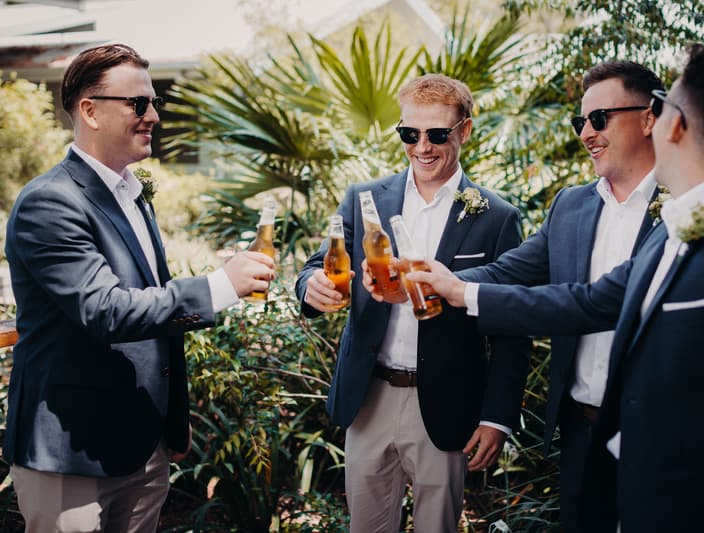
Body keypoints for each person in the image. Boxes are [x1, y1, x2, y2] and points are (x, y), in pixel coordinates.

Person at [409, 43, 704, 533]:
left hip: (694, 482)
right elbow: (576, 292)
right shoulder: (683, 222)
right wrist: (446, 286)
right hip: (605, 452)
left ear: (668, 124)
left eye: (662, 108)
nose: (587, 134)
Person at [4, 44, 274, 532]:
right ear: (89, 111)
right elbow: (106, 311)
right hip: (72, 452)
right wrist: (220, 285)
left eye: (153, 103)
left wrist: (172, 416)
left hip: (145, 447)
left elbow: (154, 309)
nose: (153, 115)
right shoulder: (50, 202)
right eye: (138, 104)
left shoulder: (132, 193)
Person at [295, 74, 530, 532]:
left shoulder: (497, 216)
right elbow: (319, 264)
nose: (422, 147)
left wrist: (497, 418)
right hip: (369, 397)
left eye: (437, 134)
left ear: (464, 131)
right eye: (409, 133)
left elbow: (511, 327)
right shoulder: (364, 199)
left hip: (447, 402)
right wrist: (311, 287)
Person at [440, 61, 662, 533]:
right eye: (579, 122)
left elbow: (586, 302)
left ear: (649, 118)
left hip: (663, 434)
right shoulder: (570, 205)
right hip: (580, 430)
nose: (586, 133)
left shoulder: (685, 208)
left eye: (599, 118)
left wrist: (461, 291)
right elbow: (509, 271)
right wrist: (433, 279)